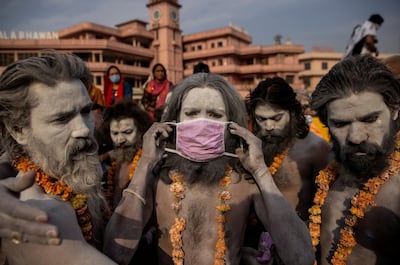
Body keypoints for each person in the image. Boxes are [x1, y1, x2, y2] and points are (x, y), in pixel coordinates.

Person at [103, 73, 314, 265]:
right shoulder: (157, 179)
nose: (202, 123)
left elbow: (300, 257)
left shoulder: (245, 182)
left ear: (232, 124)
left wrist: (260, 171)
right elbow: (115, 253)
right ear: (175, 120)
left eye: (215, 114)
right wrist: (145, 165)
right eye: (192, 113)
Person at [0, 51, 116, 264]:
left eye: (86, 111)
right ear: (19, 130)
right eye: (61, 119)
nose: (83, 129)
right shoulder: (36, 215)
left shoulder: (70, 172)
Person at [309, 55, 400, 265]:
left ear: (394, 111)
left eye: (370, 119)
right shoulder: (327, 178)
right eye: (340, 124)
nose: (356, 137)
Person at [243, 77, 331, 263]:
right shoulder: (251, 147)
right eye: (261, 119)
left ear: (292, 112)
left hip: (299, 245)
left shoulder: (316, 149)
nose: (268, 127)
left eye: (276, 118)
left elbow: (326, 210)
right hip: (257, 243)